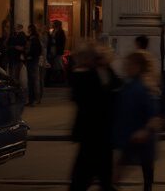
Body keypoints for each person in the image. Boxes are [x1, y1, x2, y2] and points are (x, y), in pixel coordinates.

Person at [69, 44, 121, 191]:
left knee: (102, 176)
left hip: (103, 133)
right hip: (90, 133)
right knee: (82, 177)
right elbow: (82, 98)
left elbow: (117, 87)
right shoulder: (83, 75)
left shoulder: (106, 71)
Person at [113, 52, 160, 191]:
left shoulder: (143, 87)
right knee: (122, 168)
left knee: (144, 171)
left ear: (137, 67)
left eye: (129, 65)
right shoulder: (130, 84)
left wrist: (145, 131)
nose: (126, 68)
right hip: (131, 134)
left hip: (139, 137)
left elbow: (153, 115)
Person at [25, 24, 44, 106]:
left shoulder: (33, 39)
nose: (27, 30)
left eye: (28, 29)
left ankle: (34, 99)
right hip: (33, 60)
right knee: (33, 80)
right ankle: (34, 99)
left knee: (33, 80)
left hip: (32, 61)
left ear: (30, 30)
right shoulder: (35, 38)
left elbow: (36, 50)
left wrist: (29, 56)